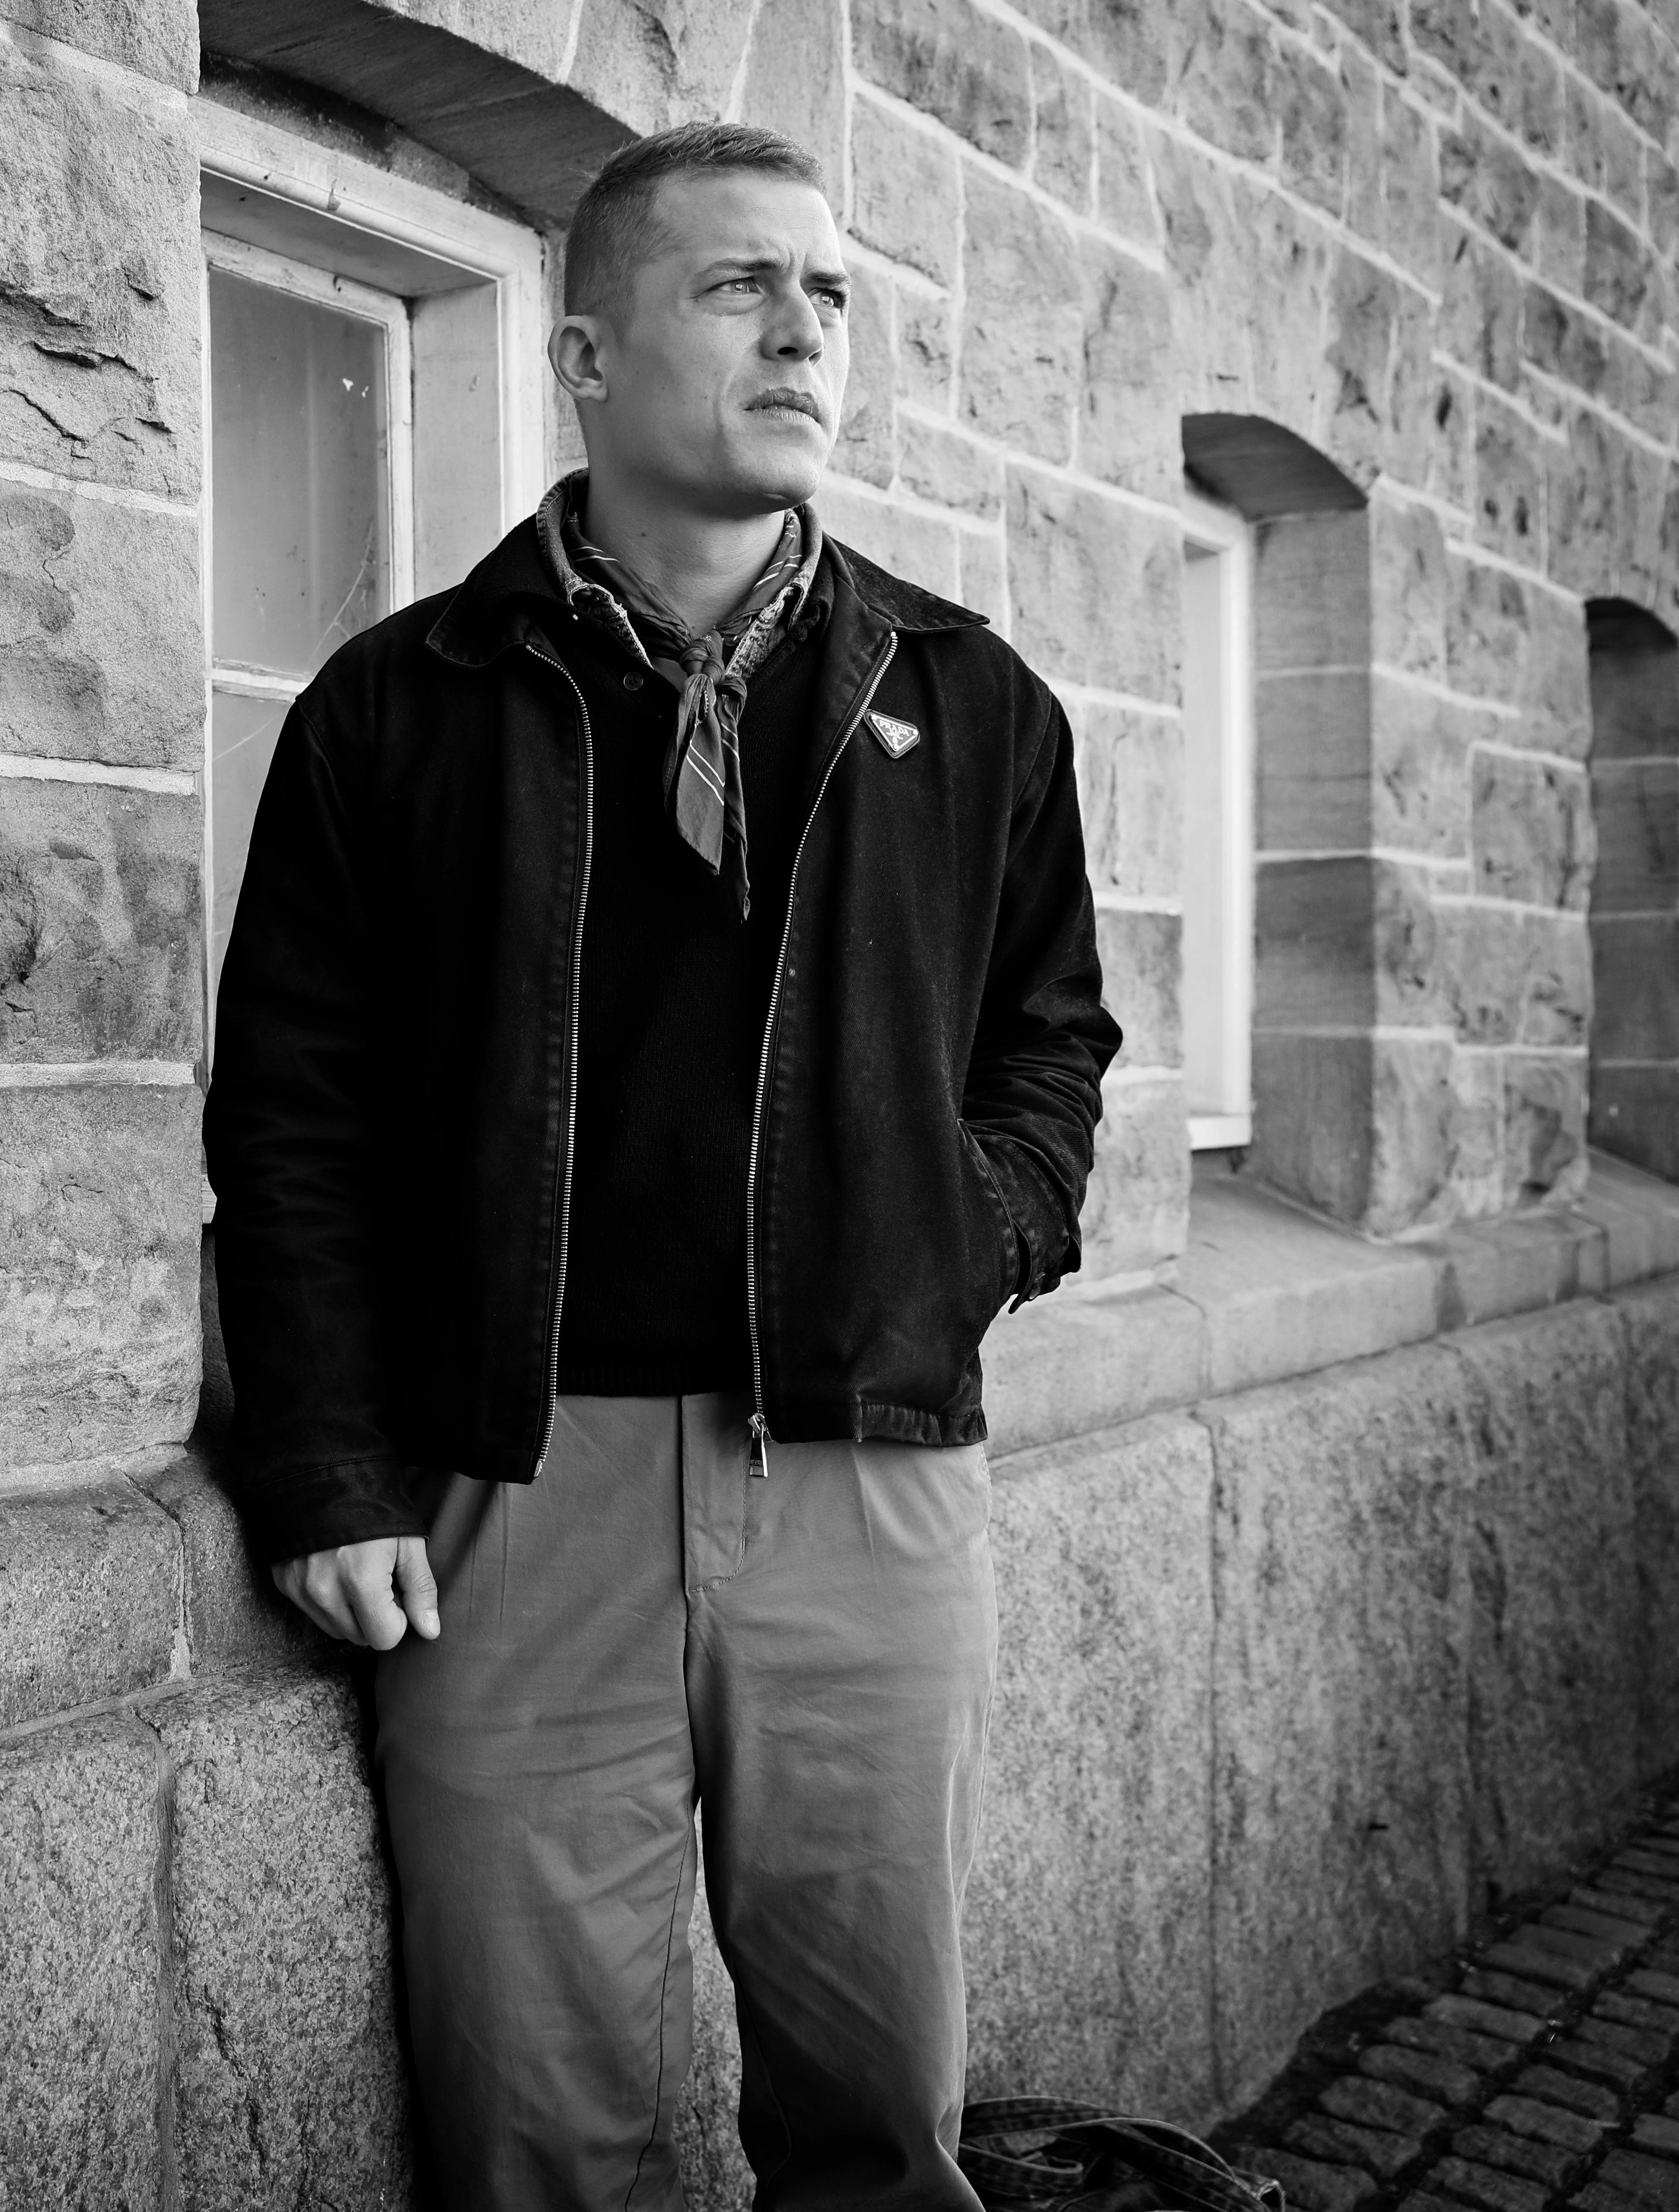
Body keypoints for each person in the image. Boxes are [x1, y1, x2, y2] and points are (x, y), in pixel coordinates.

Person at [203, 120, 1120, 2209]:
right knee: (540, 2137)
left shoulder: (973, 703)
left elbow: (1050, 1042)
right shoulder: (398, 707)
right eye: (739, 287)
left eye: (830, 295)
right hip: (515, 1497)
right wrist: (328, 1465)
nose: (804, 333)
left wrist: (968, 1238)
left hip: (869, 1476)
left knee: (877, 2127)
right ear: (587, 358)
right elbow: (295, 1117)